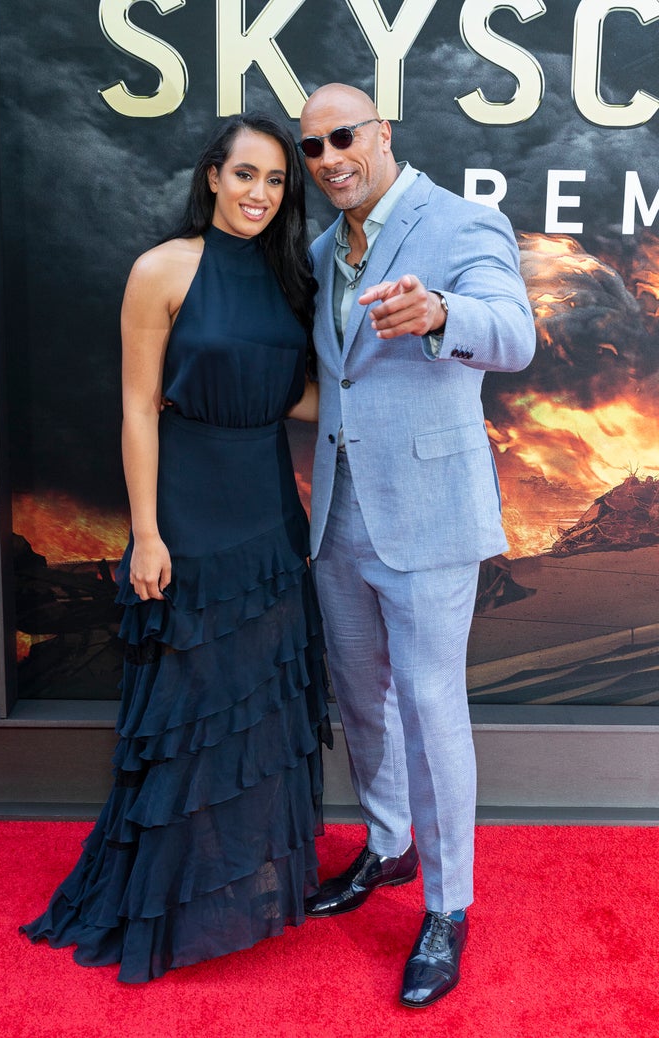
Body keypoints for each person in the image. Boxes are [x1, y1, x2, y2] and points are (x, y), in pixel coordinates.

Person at [20, 112, 330, 983]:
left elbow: (296, 400)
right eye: (245, 176)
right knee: (190, 705)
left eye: (276, 182)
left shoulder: (288, 277)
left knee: (258, 705)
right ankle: (171, 897)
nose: (260, 195)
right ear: (211, 178)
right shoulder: (161, 269)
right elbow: (135, 408)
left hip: (268, 508)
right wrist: (147, 532)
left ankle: (236, 891)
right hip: (188, 511)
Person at [298, 84, 536, 1008]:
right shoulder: (323, 251)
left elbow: (514, 333)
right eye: (312, 147)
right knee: (362, 697)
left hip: (430, 514)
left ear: (382, 132)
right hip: (340, 516)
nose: (328, 159)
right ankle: (389, 847)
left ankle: (449, 907)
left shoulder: (461, 221)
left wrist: (442, 314)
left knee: (433, 713)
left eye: (343, 137)